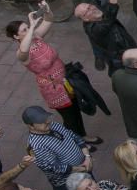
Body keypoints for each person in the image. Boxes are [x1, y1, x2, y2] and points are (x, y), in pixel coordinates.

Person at [7, 8, 99, 143]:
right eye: (24, 30)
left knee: (76, 109)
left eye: (27, 27)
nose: (28, 31)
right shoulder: (22, 54)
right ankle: (74, 142)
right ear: (16, 37)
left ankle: (83, 136)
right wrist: (32, 27)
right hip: (53, 88)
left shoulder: (36, 37)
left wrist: (47, 10)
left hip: (66, 80)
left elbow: (49, 20)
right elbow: (24, 49)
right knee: (69, 117)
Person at [23, 105, 92, 190]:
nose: (46, 122)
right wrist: (83, 168)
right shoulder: (36, 146)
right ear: (31, 126)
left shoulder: (53, 125)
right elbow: (57, 168)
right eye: (41, 121)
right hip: (68, 182)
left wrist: (87, 157)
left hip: (85, 167)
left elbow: (74, 137)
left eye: (45, 118)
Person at [74, 0, 137, 75]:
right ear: (85, 19)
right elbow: (107, 21)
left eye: (90, 6)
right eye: (87, 10)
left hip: (129, 47)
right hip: (122, 58)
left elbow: (96, 2)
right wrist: (113, 0)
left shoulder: (96, 13)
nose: (92, 8)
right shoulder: (93, 29)